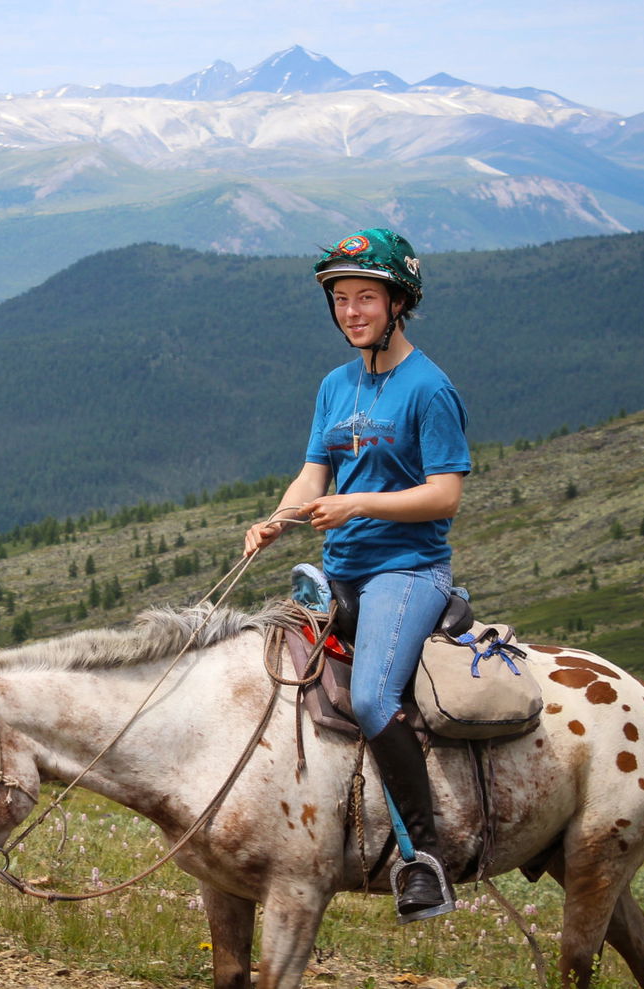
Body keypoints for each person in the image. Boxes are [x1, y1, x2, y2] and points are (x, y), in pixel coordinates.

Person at [244, 228, 470, 923]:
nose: (351, 311)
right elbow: (313, 472)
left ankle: (423, 857)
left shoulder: (429, 388)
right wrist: (279, 518)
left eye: (365, 297)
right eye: (341, 299)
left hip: (407, 571)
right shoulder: (335, 385)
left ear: (398, 302)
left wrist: (357, 503)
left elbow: (445, 494)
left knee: (372, 698)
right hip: (339, 571)